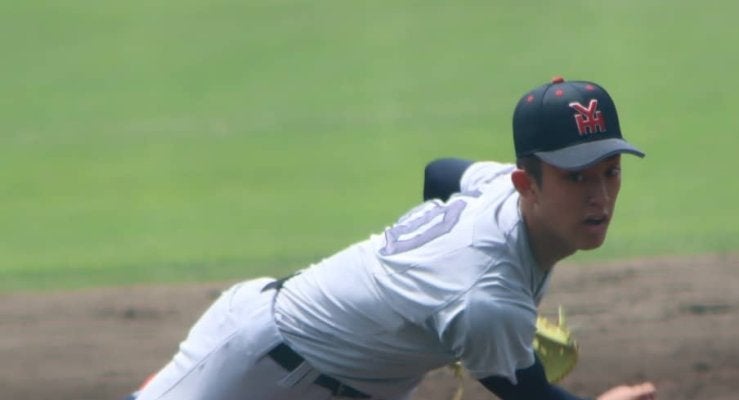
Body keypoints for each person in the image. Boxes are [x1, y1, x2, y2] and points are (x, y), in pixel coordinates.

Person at [131, 77, 655, 400]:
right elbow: (530, 394)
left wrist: (427, 286)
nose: (599, 196)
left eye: (609, 171)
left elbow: (442, 172)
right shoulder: (484, 301)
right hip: (262, 365)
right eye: (575, 177)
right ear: (527, 184)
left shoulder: (496, 188)